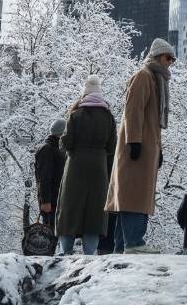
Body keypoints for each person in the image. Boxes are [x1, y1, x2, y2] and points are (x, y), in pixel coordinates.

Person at [105, 38, 174, 253]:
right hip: (138, 147)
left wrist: (159, 149)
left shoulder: (155, 79)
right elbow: (133, 111)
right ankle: (134, 242)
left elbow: (153, 121)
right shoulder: (144, 76)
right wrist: (134, 141)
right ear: (158, 56)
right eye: (168, 57)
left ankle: (121, 248)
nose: (170, 62)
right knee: (134, 195)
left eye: (172, 59)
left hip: (146, 147)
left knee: (133, 195)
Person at [55, 75, 116, 256]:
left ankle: (65, 251)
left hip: (75, 167)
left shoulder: (75, 115)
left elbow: (66, 143)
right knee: (94, 212)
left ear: (85, 92)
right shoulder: (108, 117)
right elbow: (112, 146)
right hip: (99, 168)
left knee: (70, 208)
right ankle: (89, 254)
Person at [34, 119, 66, 229]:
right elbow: (44, 177)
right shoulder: (47, 150)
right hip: (51, 202)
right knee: (50, 234)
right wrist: (46, 201)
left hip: (55, 200)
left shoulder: (54, 148)